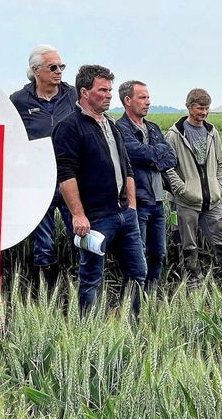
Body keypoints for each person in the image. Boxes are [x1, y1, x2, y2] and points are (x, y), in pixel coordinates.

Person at [52, 65, 146, 315]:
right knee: (91, 277)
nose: (109, 95)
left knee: (137, 272)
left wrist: (132, 206)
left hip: (125, 215)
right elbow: (66, 175)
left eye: (110, 90)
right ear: (84, 92)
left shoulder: (112, 125)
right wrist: (78, 214)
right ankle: (88, 329)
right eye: (102, 90)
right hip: (95, 218)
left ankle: (131, 325)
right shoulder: (69, 126)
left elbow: (126, 167)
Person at [165, 88, 222, 291]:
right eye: (200, 108)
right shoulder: (174, 135)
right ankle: (194, 289)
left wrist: (219, 186)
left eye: (207, 108)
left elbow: (221, 163)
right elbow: (168, 168)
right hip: (185, 203)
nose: (204, 112)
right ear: (189, 107)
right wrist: (181, 189)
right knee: (187, 247)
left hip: (212, 201)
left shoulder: (212, 132)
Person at [10, 45, 78, 284]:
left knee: (79, 233)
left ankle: (79, 286)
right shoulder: (19, 100)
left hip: (70, 178)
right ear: (36, 70)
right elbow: (11, 138)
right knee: (43, 242)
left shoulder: (73, 95)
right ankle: (46, 292)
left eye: (61, 66)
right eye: (53, 67)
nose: (59, 71)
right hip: (38, 181)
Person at [116, 81, 177, 289]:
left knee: (158, 253)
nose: (148, 102)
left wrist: (151, 157)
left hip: (158, 201)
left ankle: (149, 296)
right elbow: (137, 154)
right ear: (127, 100)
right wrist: (153, 154)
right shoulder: (120, 129)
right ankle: (135, 298)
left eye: (148, 97)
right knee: (138, 254)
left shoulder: (153, 128)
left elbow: (171, 157)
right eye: (142, 97)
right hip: (138, 202)